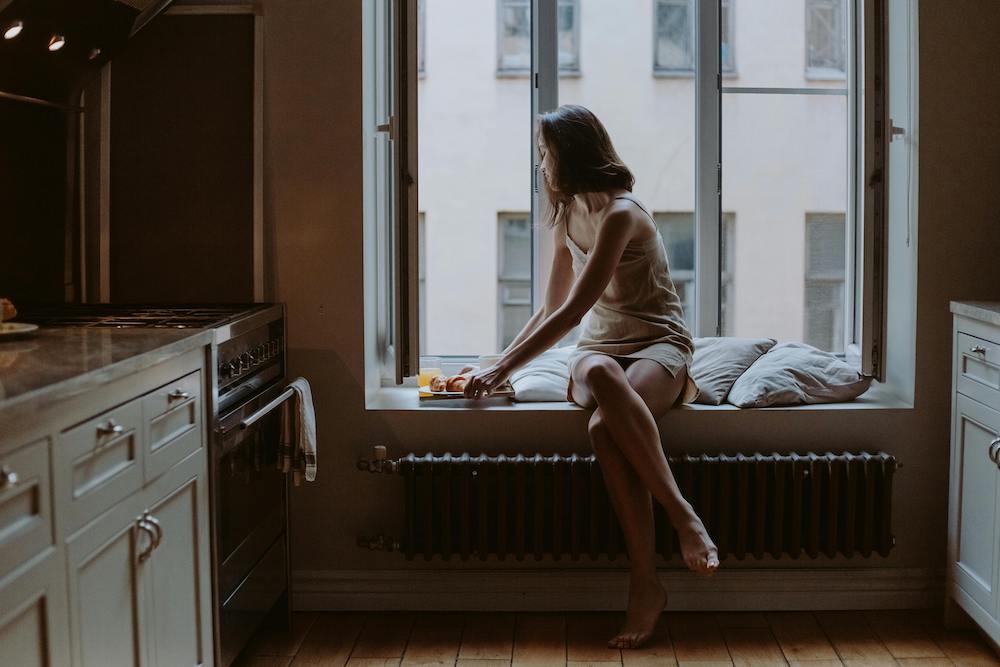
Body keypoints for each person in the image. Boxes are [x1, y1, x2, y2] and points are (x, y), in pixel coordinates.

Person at [463, 104, 719, 649]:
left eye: (545, 155)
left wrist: (506, 368)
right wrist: (495, 363)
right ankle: (680, 521)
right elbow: (549, 308)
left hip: (659, 346)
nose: (540, 166)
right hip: (599, 352)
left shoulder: (624, 214)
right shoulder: (564, 215)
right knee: (600, 368)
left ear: (571, 156)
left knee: (605, 430)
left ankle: (649, 578)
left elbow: (574, 309)